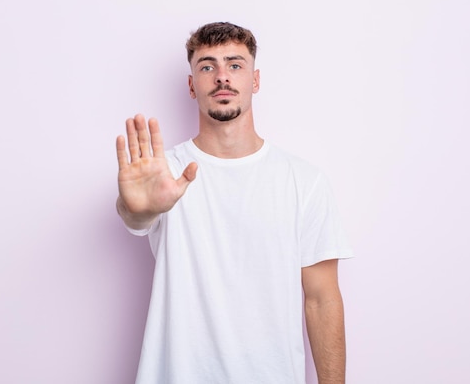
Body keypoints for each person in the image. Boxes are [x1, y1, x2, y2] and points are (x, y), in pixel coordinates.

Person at [116, 22, 353, 384]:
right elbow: (135, 215)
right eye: (207, 66)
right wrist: (137, 208)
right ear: (192, 85)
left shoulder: (304, 181)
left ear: (255, 81)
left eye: (235, 65)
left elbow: (322, 301)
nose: (222, 77)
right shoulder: (167, 173)